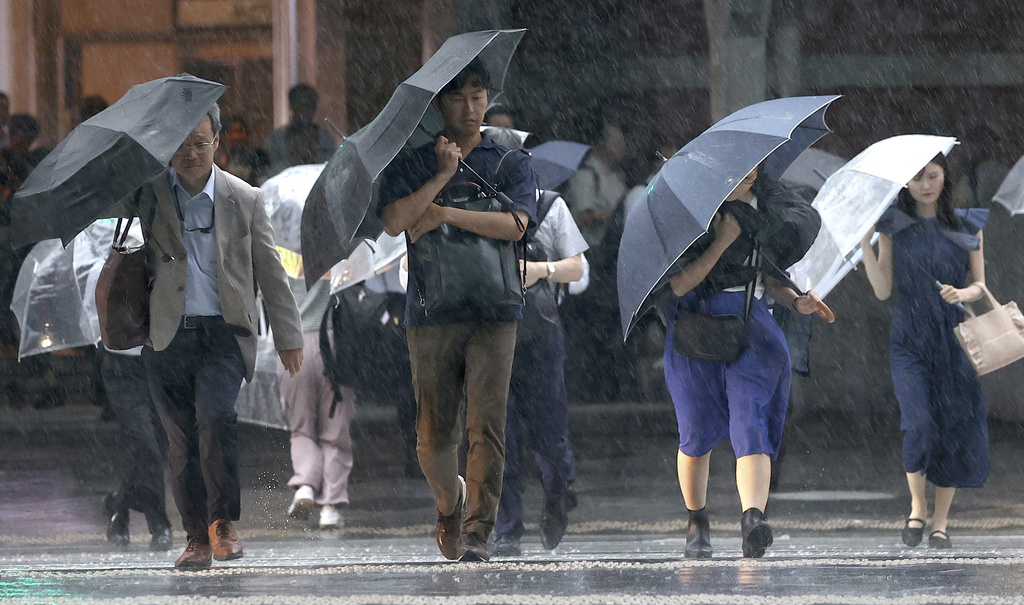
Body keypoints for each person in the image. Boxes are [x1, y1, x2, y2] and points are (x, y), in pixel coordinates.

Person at [132, 103, 304, 570]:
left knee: (216, 420)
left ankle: (223, 521)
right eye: (181, 144)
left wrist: (290, 336)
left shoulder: (243, 198)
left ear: (218, 141)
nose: (190, 153)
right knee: (181, 442)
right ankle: (195, 536)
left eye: (200, 143)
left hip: (222, 336)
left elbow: (271, 271)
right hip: (166, 337)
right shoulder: (148, 196)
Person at [378, 60, 536, 562]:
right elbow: (395, 221)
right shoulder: (415, 161)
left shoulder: (509, 158)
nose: (470, 109)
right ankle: (450, 502)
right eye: (457, 99)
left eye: (478, 96)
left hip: (495, 309)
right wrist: (443, 175)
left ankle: (476, 531)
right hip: (431, 309)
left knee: (486, 424)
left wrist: (445, 213)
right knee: (432, 435)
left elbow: (517, 225)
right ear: (439, 105)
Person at [663, 165, 821, 559]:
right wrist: (721, 241)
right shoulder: (691, 211)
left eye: (754, 167)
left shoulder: (768, 209)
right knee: (695, 433)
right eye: (739, 167)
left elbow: (769, 280)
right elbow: (680, 284)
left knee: (750, 420)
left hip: (750, 325)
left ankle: (753, 518)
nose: (747, 174)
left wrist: (795, 299)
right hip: (696, 328)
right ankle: (697, 520)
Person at [859, 153, 990, 549]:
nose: (925, 184)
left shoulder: (968, 224)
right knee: (917, 423)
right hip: (909, 338)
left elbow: (980, 286)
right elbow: (883, 290)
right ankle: (917, 507)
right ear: (906, 185)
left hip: (954, 338)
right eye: (916, 178)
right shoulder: (894, 227)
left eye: (932, 175)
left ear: (944, 177)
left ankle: (940, 523)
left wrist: (962, 291)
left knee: (952, 426)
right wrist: (864, 241)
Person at [491, 187, 587, 557]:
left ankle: (557, 494)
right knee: (499, 436)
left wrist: (540, 270)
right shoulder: (472, 206)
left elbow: (578, 268)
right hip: (490, 334)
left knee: (550, 433)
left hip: (540, 335)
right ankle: (507, 529)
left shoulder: (548, 205)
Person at [265, 84, 336, 178]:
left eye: (309, 105)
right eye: (301, 105)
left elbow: (331, 171)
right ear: (292, 106)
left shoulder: (326, 139)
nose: (306, 111)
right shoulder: (276, 140)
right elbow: (273, 173)